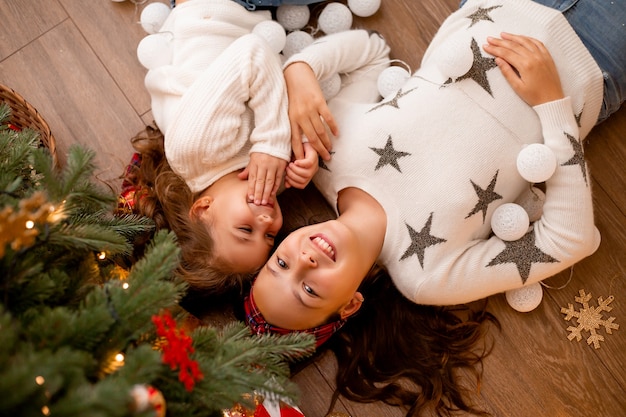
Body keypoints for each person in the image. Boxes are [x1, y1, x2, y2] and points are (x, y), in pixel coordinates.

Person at [242, 0, 625, 414]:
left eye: (282, 264)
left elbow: (370, 51)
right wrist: (554, 105)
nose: (305, 260)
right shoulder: (428, 277)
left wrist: (299, 70)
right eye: (310, 290)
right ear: (350, 305)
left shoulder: (323, 158)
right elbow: (570, 240)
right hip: (592, 55)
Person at [119, 0, 320, 293]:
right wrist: (303, 150)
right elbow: (282, 102)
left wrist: (273, 143)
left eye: (245, 230)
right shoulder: (266, 184)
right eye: (268, 236)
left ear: (203, 209)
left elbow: (253, 52)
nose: (266, 221)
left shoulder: (196, 148)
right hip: (258, 16)